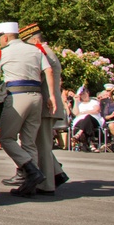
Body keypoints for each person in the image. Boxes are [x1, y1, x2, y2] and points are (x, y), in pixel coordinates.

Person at [0, 20, 57, 197]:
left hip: (16, 95)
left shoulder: (0, 53)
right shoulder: (35, 50)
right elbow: (48, 71)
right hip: (36, 96)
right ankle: (29, 185)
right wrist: (51, 96)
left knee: (6, 137)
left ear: (4, 37)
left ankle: (30, 169)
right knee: (29, 141)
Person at [20, 23, 70, 191]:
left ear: (34, 40)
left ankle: (47, 184)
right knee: (40, 143)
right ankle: (57, 173)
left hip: (45, 104)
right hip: (46, 103)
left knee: (42, 146)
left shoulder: (42, 52)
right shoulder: (46, 51)